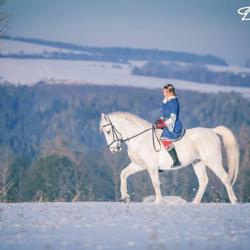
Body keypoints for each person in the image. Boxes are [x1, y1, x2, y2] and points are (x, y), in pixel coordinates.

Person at [154, 84, 183, 169]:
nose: (164, 94)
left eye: (165, 92)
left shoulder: (173, 102)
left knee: (164, 138)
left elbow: (173, 118)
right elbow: (164, 115)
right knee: (155, 136)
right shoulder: (166, 101)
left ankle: (176, 161)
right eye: (163, 92)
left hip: (173, 126)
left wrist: (163, 124)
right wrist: (159, 121)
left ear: (171, 92)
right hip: (165, 123)